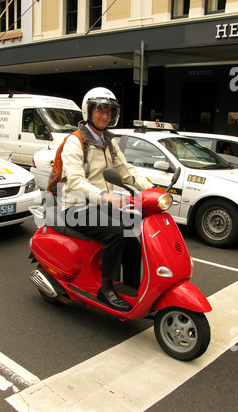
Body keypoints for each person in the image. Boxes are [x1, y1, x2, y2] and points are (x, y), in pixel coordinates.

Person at [59, 87, 153, 311]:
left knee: (133, 230)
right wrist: (105, 196)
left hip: (101, 205)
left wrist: (152, 190)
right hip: (76, 207)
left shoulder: (109, 142)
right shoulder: (75, 142)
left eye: (109, 112)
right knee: (117, 231)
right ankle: (106, 288)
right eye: (100, 111)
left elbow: (127, 171)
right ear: (88, 112)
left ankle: (130, 286)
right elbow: (75, 181)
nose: (105, 116)